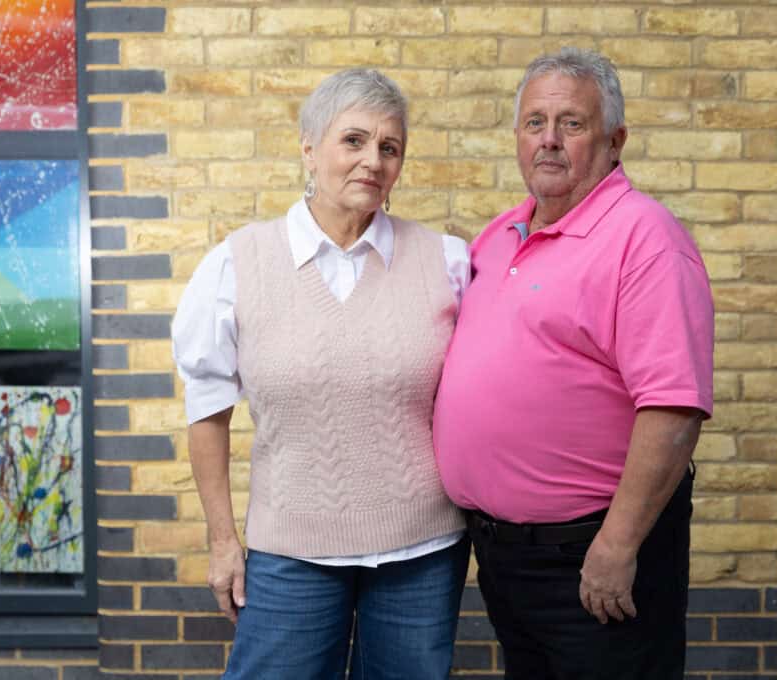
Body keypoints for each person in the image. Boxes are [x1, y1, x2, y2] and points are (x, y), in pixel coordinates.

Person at [172, 68, 471, 680]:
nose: (373, 161)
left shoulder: (447, 261)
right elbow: (207, 408)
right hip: (290, 553)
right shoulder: (236, 265)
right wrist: (224, 539)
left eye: (390, 148)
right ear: (309, 148)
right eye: (354, 140)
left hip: (423, 552)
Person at [433, 47, 715, 680]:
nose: (550, 140)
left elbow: (672, 408)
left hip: (594, 557)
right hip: (505, 558)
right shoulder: (500, 234)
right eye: (535, 123)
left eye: (572, 123)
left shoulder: (646, 239)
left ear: (615, 141)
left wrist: (616, 546)